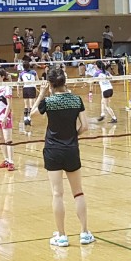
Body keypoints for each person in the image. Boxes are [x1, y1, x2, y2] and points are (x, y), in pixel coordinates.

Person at [35, 67, 93, 247]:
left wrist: (42, 94)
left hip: (53, 150)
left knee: (57, 194)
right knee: (78, 192)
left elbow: (32, 116)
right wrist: (73, 136)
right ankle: (84, 233)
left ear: (50, 84)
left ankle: (62, 236)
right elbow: (85, 126)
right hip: (71, 150)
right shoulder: (76, 100)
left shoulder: (48, 102)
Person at [0, 71, 15, 171]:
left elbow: (9, 104)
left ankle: (11, 162)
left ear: (2, 77)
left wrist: (5, 117)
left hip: (5, 116)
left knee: (8, 139)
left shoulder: (7, 87)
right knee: (0, 138)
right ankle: (6, 160)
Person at [18, 60, 38, 127]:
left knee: (26, 105)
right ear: (29, 65)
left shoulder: (21, 73)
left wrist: (18, 91)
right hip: (32, 88)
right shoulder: (34, 72)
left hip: (25, 88)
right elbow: (37, 81)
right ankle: (29, 119)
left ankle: (25, 119)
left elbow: (18, 83)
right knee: (32, 105)